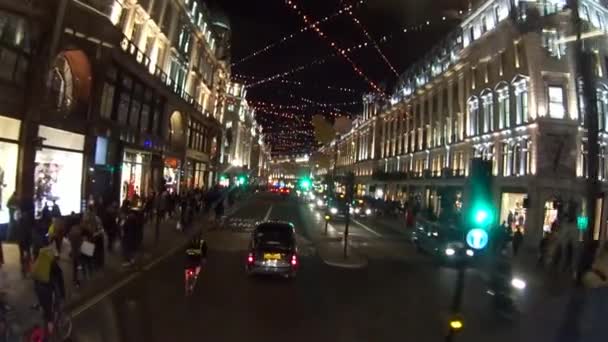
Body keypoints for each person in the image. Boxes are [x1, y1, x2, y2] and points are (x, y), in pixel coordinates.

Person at [32, 246, 65, 334]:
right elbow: (60, 281)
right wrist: (62, 295)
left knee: (44, 305)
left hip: (37, 287)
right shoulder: (54, 265)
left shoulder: (39, 262)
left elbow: (34, 277)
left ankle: (44, 313)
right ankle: (50, 330)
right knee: (52, 305)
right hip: (46, 289)